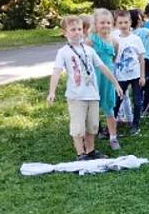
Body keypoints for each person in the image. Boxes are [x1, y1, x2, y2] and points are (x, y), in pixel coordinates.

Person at [47, 15, 123, 160]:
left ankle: (90, 151)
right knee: (78, 128)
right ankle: (80, 154)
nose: (76, 32)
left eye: (79, 29)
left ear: (83, 31)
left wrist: (115, 83)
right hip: (76, 96)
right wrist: (52, 91)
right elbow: (56, 71)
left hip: (92, 95)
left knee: (92, 126)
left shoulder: (89, 50)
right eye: (72, 30)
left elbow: (103, 67)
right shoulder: (64, 52)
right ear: (65, 33)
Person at [87, 8, 121, 151]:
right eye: (102, 23)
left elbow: (113, 58)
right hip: (94, 76)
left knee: (109, 107)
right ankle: (91, 134)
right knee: (91, 107)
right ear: (95, 23)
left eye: (108, 22)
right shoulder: (91, 40)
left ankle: (113, 137)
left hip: (107, 77)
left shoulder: (114, 40)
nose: (105, 25)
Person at [113, 9, 146, 136]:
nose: (123, 25)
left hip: (136, 76)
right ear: (116, 23)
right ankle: (112, 123)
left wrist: (142, 76)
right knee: (117, 100)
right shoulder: (115, 39)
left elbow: (141, 59)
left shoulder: (136, 39)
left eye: (125, 22)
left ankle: (135, 124)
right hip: (121, 76)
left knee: (137, 101)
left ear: (130, 22)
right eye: (120, 22)